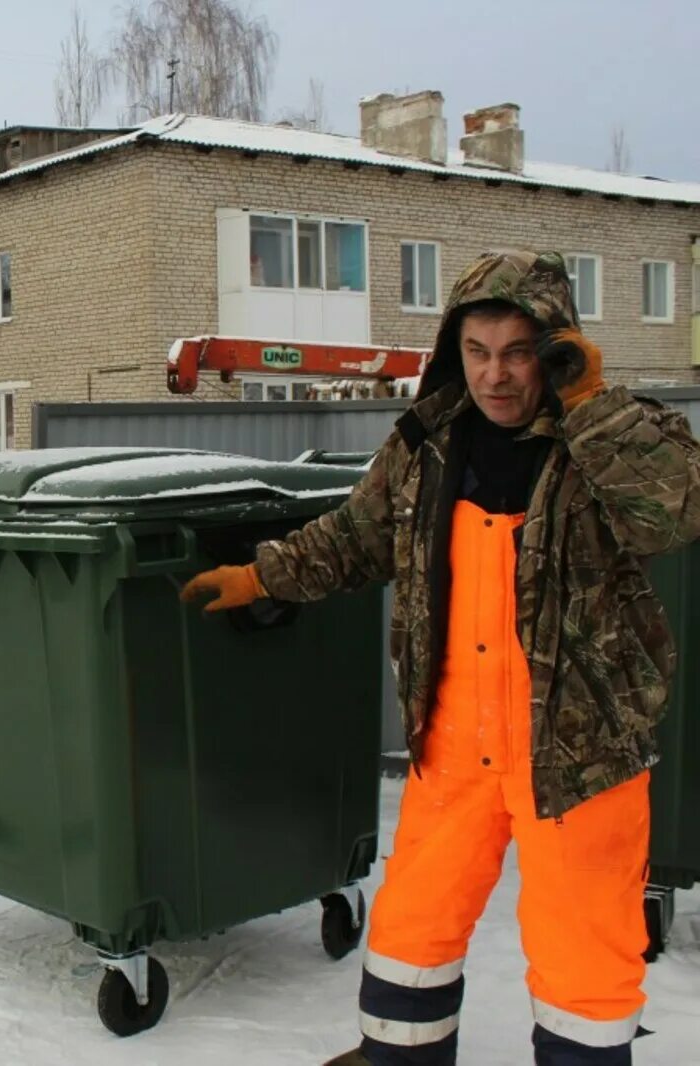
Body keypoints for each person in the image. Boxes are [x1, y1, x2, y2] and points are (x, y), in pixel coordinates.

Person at [180, 250, 700, 1065]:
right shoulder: (426, 445)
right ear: (452, 351)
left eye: (519, 353)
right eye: (477, 351)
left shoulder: (604, 436)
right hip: (453, 740)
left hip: (579, 754)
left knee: (583, 956)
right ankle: (399, 1057)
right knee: (412, 927)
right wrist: (259, 575)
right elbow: (357, 535)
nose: (496, 376)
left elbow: (674, 515)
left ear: (556, 349)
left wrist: (590, 402)